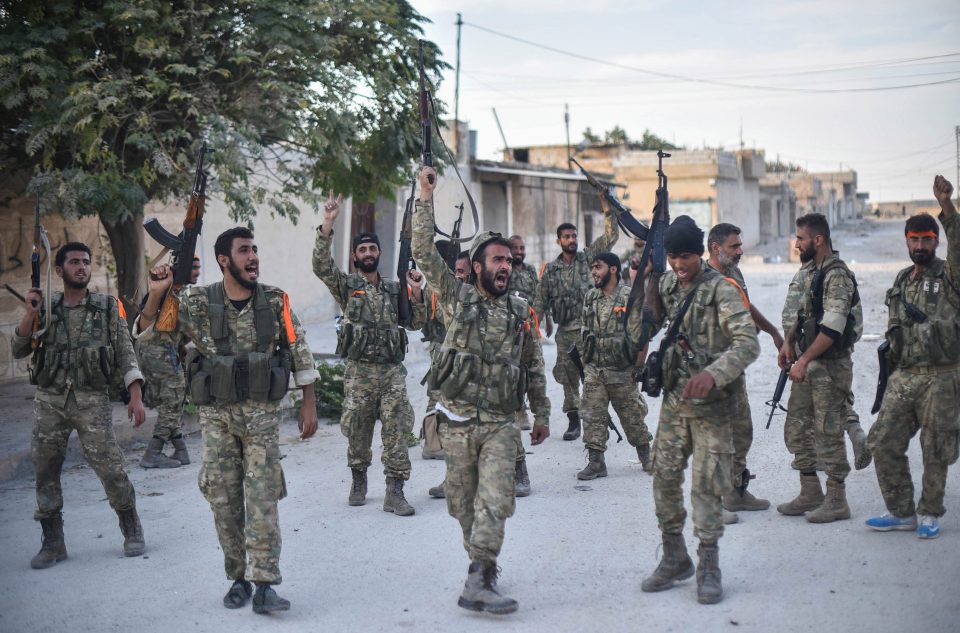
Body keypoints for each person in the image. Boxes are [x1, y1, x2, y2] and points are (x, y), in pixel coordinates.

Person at [138, 227, 319, 614]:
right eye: (243, 251)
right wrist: (157, 292)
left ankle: (266, 582)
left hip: (260, 418)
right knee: (223, 500)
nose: (252, 257)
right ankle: (238, 578)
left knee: (263, 497)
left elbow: (298, 348)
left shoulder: (275, 299)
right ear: (224, 259)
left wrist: (309, 402)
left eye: (255, 249)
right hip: (216, 418)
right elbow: (152, 337)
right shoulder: (198, 302)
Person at [414, 165, 550, 615]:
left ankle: (481, 575)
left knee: (496, 497)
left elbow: (532, 363)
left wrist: (542, 412)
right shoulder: (457, 298)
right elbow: (421, 250)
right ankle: (481, 567)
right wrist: (424, 196)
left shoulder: (519, 310)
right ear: (477, 267)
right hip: (454, 421)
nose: (506, 267)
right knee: (462, 505)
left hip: (499, 422)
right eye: (497, 260)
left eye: (509, 261)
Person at [640, 217, 759, 604]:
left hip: (711, 405)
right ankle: (675, 555)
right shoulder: (669, 282)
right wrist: (644, 295)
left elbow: (747, 344)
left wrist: (713, 373)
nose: (679, 265)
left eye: (686, 257)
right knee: (664, 476)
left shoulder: (722, 290)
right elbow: (655, 321)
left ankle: (709, 562)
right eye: (673, 257)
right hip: (676, 400)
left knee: (707, 485)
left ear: (701, 254)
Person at [14, 242, 147, 569]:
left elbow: (125, 351)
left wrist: (136, 394)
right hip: (50, 401)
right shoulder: (45, 307)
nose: (82, 267)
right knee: (45, 469)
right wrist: (30, 313)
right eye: (74, 262)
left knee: (110, 467)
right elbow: (19, 350)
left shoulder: (106, 307)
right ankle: (53, 541)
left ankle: (131, 528)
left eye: (86, 262)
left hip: (91, 399)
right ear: (59, 270)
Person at [313, 199, 425, 516]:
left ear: (379, 254)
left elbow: (414, 323)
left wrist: (415, 292)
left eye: (371, 250)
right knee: (358, 433)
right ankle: (359, 480)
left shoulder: (393, 288)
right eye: (361, 251)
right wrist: (328, 223)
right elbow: (321, 266)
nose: (367, 255)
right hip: (359, 373)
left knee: (397, 431)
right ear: (354, 257)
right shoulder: (347, 286)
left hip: (391, 373)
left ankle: (395, 491)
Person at [866, 175, 960, 539]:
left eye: (927, 239)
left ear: (936, 241)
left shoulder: (951, 274)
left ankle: (930, 512)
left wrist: (947, 206)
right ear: (906, 241)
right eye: (914, 239)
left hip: (942, 376)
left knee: (935, 448)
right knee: (884, 441)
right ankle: (901, 511)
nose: (920, 245)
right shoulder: (902, 279)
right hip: (905, 376)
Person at [777, 213, 862, 524]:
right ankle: (810, 492)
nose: (796, 244)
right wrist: (788, 344)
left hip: (830, 367)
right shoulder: (811, 272)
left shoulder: (837, 276)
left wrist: (803, 360)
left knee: (828, 433)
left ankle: (837, 500)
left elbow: (832, 329)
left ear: (818, 240)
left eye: (800, 238)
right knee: (797, 429)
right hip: (808, 365)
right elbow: (801, 316)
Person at [704, 224, 782, 517]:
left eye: (739, 245)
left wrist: (773, 332)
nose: (740, 251)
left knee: (741, 431)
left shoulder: (733, 274)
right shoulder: (701, 279)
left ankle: (735, 492)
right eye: (734, 246)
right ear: (715, 247)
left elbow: (746, 308)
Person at [535, 200, 619, 441]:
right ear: (558, 241)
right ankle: (574, 421)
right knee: (568, 378)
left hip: (590, 331)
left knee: (594, 376)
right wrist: (532, 329)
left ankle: (596, 420)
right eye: (567, 236)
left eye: (574, 235)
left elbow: (611, 236)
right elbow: (540, 301)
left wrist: (606, 208)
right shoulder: (551, 270)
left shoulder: (588, 258)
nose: (572, 240)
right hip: (566, 333)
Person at [576, 252, 652, 480]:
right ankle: (596, 461)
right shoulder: (590, 297)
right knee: (592, 415)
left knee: (632, 417)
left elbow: (642, 335)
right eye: (592, 267)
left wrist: (639, 367)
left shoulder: (629, 297)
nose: (593, 272)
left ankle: (647, 456)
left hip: (621, 370)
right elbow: (584, 330)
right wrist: (584, 363)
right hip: (594, 370)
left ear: (613, 270)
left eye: (597, 267)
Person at [138, 255, 201, 468]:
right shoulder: (175, 294)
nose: (197, 272)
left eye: (198, 267)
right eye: (193, 268)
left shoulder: (172, 293)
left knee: (169, 402)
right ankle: (152, 454)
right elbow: (193, 330)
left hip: (154, 351)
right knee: (173, 402)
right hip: (160, 353)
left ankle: (181, 451)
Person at [422, 251, 471, 461]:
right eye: (456, 271)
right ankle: (431, 443)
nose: (459, 275)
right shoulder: (439, 290)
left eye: (463, 271)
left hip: (462, 353)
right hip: (441, 349)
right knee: (436, 396)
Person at [507, 235, 539, 432]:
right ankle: (519, 410)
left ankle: (534, 408)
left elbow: (538, 295)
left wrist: (546, 321)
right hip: (510, 329)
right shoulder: (505, 270)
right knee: (513, 371)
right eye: (515, 248)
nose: (519, 251)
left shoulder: (530, 271)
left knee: (532, 371)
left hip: (530, 328)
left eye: (522, 247)